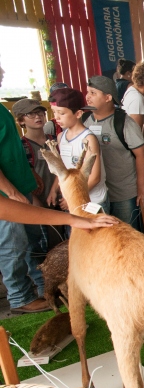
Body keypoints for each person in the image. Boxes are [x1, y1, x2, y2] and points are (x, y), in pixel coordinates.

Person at [0, 63, 48, 314]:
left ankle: (40, 289)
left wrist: (27, 178)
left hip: (20, 187)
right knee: (13, 245)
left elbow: (11, 150)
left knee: (31, 241)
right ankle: (20, 298)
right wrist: (10, 192)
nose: (3, 72)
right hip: (7, 197)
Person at [84, 76, 144, 230]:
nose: (88, 97)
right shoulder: (85, 119)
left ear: (108, 97)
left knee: (127, 235)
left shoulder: (124, 122)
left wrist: (141, 186)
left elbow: (142, 154)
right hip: (97, 193)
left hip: (123, 192)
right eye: (87, 92)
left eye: (93, 93)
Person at [48, 88, 108, 212]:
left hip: (92, 201)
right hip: (72, 199)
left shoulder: (88, 138)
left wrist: (72, 197)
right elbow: (62, 170)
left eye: (62, 113)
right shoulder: (61, 137)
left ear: (78, 114)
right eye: (54, 112)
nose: (57, 117)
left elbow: (95, 177)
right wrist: (53, 190)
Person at [13, 98, 54, 206]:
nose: (37, 116)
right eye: (30, 114)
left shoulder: (55, 140)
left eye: (39, 112)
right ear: (21, 120)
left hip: (62, 198)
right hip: (38, 202)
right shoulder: (20, 146)